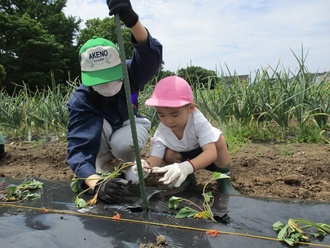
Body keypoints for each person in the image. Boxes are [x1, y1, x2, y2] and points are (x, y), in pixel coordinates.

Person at [66, 0, 163, 204]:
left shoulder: (130, 73)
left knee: (123, 145)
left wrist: (132, 21)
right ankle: (105, 166)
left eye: (112, 76)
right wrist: (97, 184)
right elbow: (78, 150)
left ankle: (129, 164)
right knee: (95, 140)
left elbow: (150, 56)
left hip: (131, 126)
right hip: (102, 135)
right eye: (100, 80)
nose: (108, 85)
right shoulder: (82, 100)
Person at [132, 76, 240, 195]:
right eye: (162, 115)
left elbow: (211, 153)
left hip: (207, 156)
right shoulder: (162, 131)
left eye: (175, 115)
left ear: (191, 108)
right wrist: (146, 165)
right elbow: (156, 158)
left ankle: (224, 182)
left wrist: (187, 167)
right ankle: (186, 180)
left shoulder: (198, 121)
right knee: (167, 154)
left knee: (219, 141)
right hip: (182, 156)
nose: (168, 121)